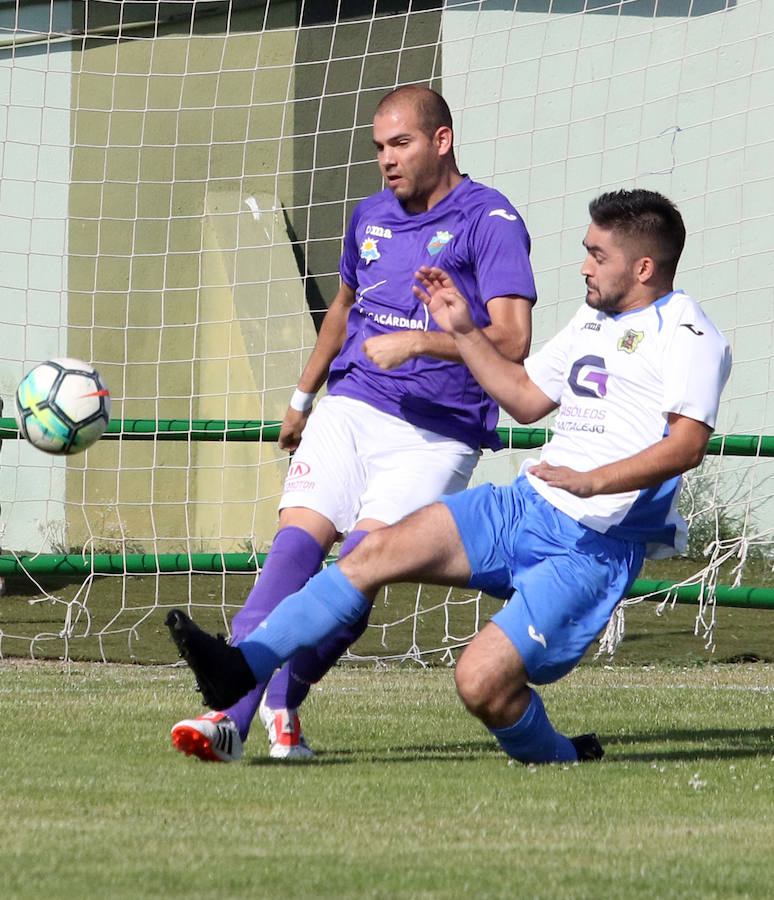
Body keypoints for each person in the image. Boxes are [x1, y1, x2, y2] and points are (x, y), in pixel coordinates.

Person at [167, 188, 732, 764]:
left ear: (643, 267)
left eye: (597, 255)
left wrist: (595, 481)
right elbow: (525, 398)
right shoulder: (592, 319)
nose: (584, 266)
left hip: (594, 545)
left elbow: (686, 447)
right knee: (373, 553)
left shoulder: (690, 337)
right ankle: (243, 669)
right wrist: (462, 329)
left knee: (480, 684)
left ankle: (560, 755)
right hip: (524, 507)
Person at [169, 84, 537, 762]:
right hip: (351, 404)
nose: (386, 159)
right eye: (378, 147)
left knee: (360, 568)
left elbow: (512, 342)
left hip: (438, 430)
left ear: (442, 140)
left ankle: (285, 698)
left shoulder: (492, 220)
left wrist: (422, 342)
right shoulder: (368, 216)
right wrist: (302, 399)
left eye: (400, 143)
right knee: (292, 551)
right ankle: (230, 718)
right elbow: (341, 310)